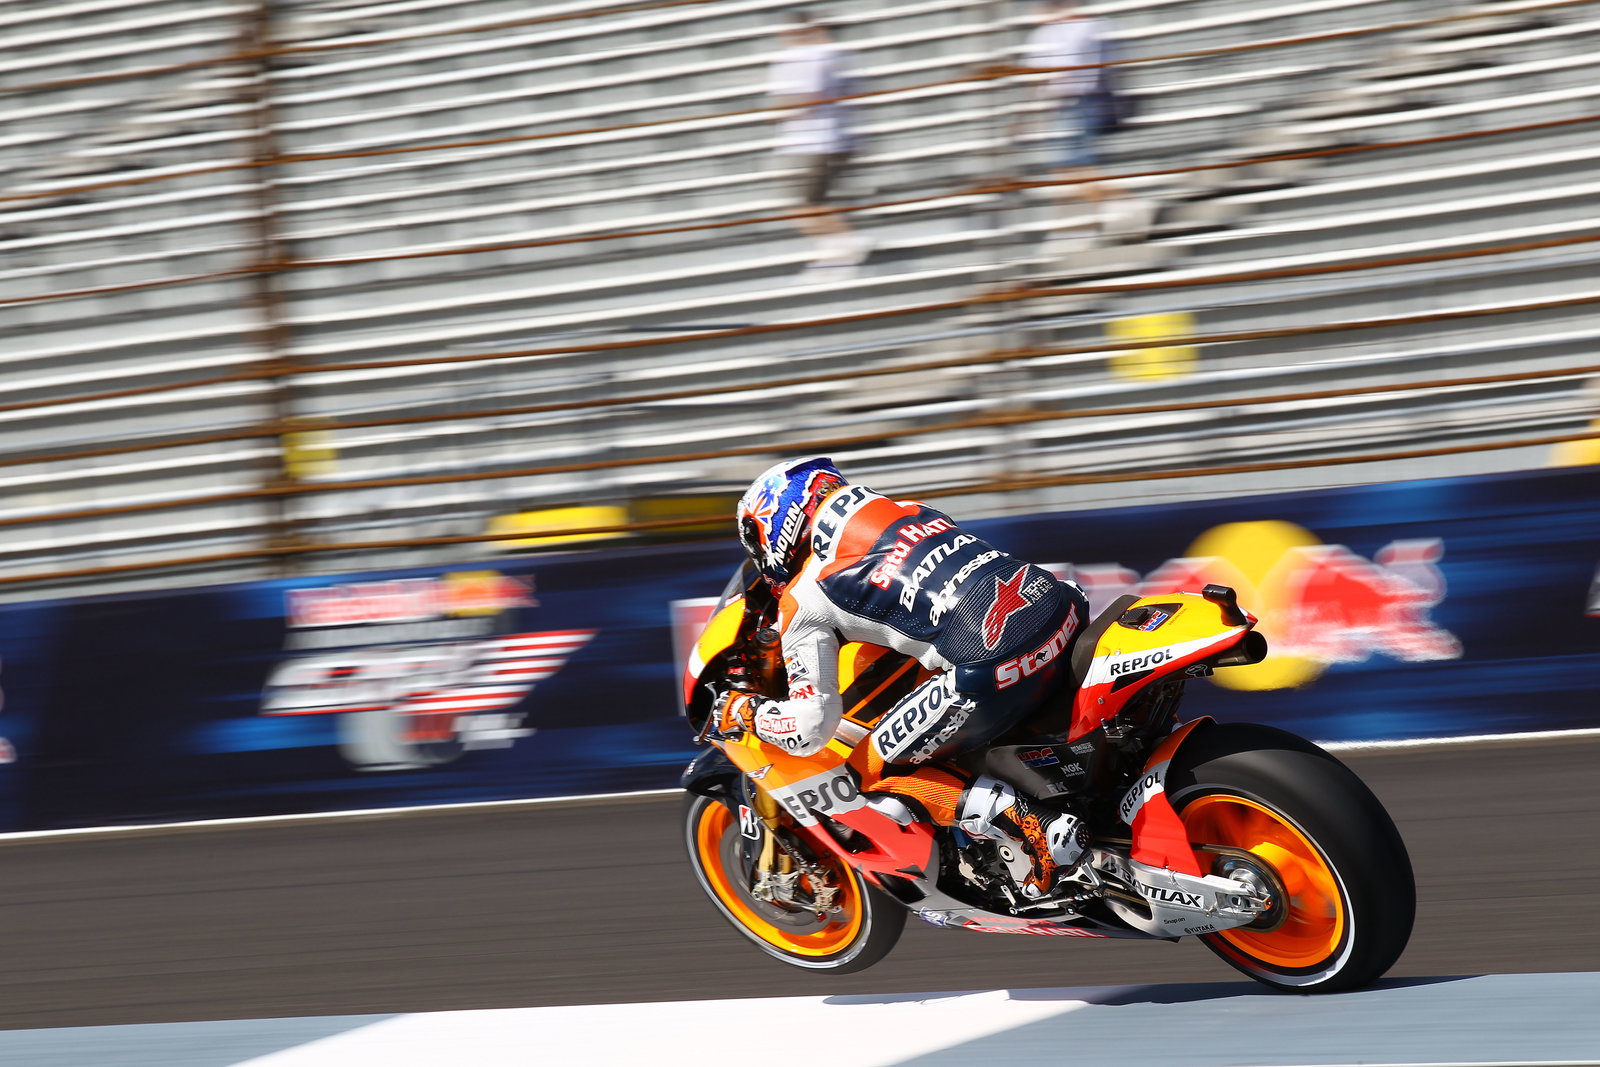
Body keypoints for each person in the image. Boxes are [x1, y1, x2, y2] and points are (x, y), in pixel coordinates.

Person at [714, 456, 1092, 901]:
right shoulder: (911, 510)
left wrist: (747, 712)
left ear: (776, 523)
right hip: (1063, 607)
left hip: (995, 664)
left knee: (862, 775)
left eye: (757, 543)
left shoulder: (807, 594)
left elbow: (811, 727)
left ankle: (1029, 823)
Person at [1020, 0, 1150, 244]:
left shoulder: (1075, 29)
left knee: (1071, 171)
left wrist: (1028, 115)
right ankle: (1084, 230)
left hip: (1079, 102)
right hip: (1074, 104)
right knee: (1069, 172)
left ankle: (1125, 208)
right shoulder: (1084, 27)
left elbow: (1045, 75)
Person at [767, 13, 873, 277]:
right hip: (830, 138)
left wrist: (781, 112)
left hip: (813, 141)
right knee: (807, 202)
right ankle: (834, 251)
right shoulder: (839, 55)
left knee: (803, 204)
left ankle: (845, 247)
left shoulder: (809, 57)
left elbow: (810, 97)